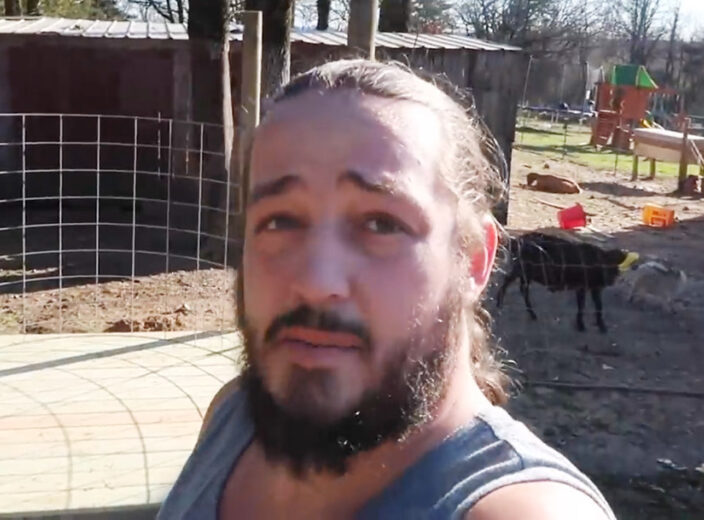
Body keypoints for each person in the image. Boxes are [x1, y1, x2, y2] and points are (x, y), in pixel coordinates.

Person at [156, 59, 616, 520]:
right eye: (279, 220)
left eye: (380, 223)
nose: (317, 283)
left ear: (474, 261)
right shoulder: (232, 418)